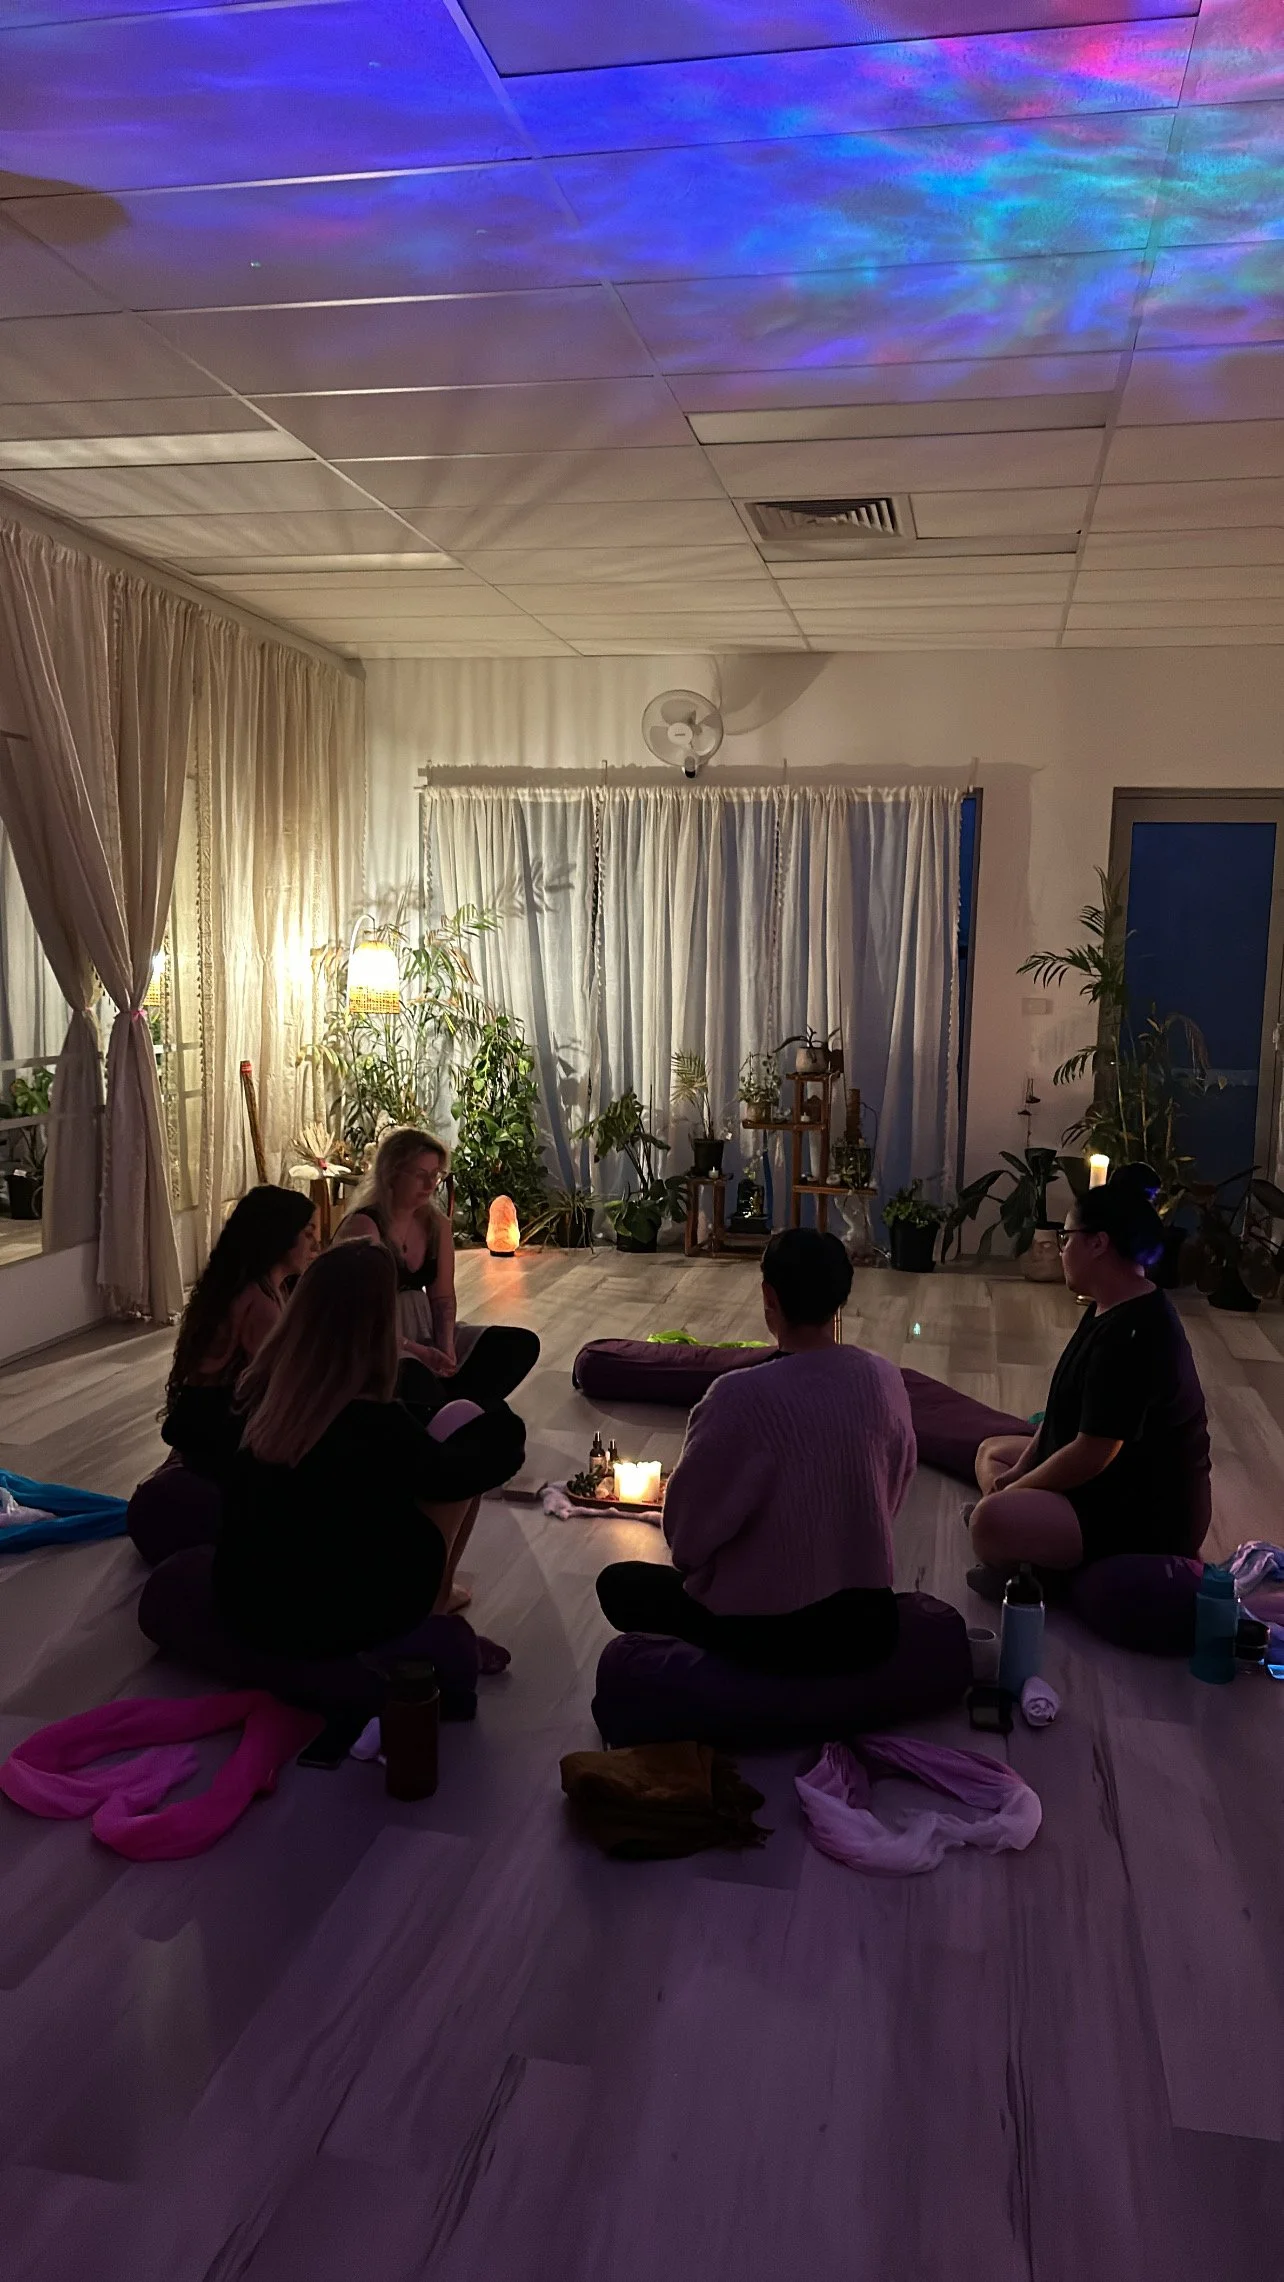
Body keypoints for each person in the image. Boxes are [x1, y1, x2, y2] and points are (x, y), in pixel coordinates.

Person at [596, 1229, 915, 1674]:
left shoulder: (738, 1396)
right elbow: (892, 1491)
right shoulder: (884, 1377)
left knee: (619, 1584)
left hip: (769, 1632)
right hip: (867, 1625)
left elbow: (688, 1540)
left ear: (769, 1296)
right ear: (842, 1295)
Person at [213, 1242, 526, 1662]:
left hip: (249, 1607)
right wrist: (493, 1412)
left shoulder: (263, 1397)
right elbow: (476, 1469)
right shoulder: (374, 1424)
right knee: (459, 1442)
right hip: (334, 1619)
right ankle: (434, 1610)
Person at [969, 1163, 1211, 1584]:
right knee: (993, 1453)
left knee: (990, 1520)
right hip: (1100, 1478)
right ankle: (1030, 1541)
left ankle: (1040, 1565)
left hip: (1140, 1510)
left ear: (1098, 1243)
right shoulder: (1109, 1302)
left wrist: (1018, 1492)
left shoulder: (1137, 1332)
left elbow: (1092, 1453)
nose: (1060, 1249)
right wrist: (1018, 1474)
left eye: (1066, 1238)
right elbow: (1060, 1412)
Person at [338, 1127, 539, 1414]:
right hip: (380, 1340)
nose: (430, 1184)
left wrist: (446, 1348)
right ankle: (446, 1410)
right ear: (392, 1173)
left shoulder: (437, 1225)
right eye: (421, 1175)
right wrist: (419, 1352)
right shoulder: (364, 1227)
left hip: (425, 1332)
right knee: (415, 1379)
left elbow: (442, 1298)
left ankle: (450, 1408)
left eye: (436, 1175)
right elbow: (360, 1316)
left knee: (519, 1345)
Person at [162, 1185, 319, 1479]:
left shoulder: (258, 1288)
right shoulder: (260, 1305)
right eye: (308, 1234)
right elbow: (283, 1383)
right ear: (281, 1238)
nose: (316, 1244)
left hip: (213, 1419)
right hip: (223, 1434)